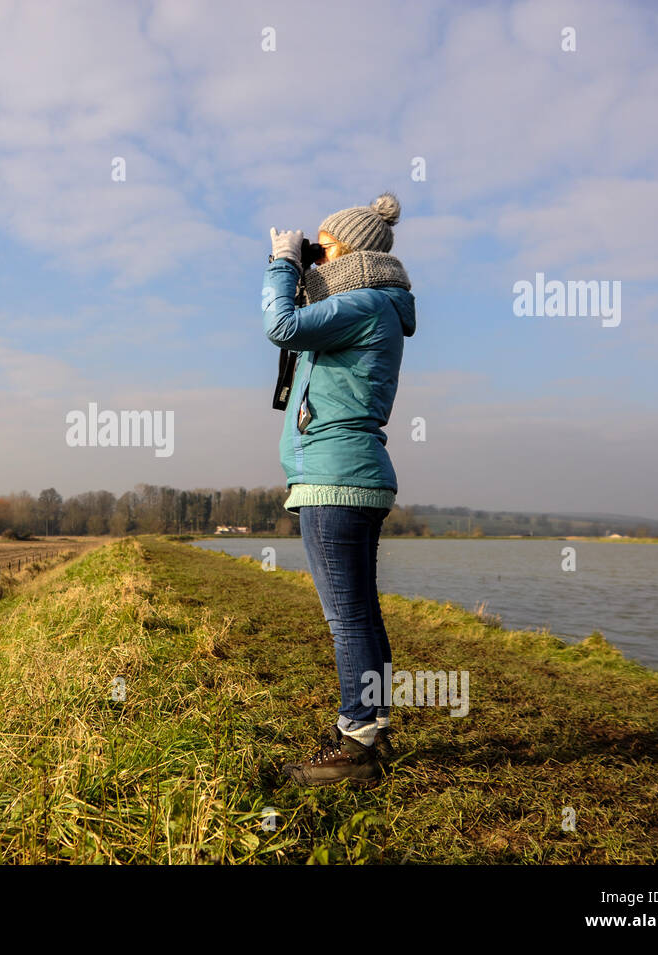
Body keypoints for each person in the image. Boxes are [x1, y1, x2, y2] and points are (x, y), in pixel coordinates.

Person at [261, 192, 417, 788]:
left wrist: (282, 267)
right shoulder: (366, 305)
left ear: (349, 250)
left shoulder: (368, 303)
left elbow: (282, 327)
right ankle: (368, 726)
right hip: (348, 476)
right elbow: (298, 335)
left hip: (335, 480)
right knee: (361, 615)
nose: (312, 255)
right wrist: (300, 274)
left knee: (347, 619)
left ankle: (355, 748)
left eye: (322, 246)